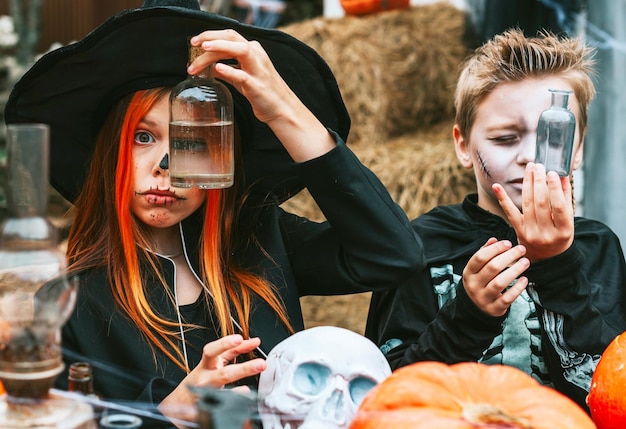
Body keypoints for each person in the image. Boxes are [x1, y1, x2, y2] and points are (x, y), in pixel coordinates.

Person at [4, 0, 424, 425]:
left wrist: (284, 111)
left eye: (194, 140)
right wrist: (166, 414)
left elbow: (394, 255)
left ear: (223, 159)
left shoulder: (261, 241)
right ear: (110, 152)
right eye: (143, 136)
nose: (165, 166)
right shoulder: (71, 306)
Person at [365, 28, 626, 412]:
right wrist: (468, 313)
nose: (530, 157)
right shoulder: (421, 245)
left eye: (554, 138)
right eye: (505, 138)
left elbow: (611, 390)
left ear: (578, 148)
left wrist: (557, 266)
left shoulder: (596, 246)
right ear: (463, 145)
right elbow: (388, 397)